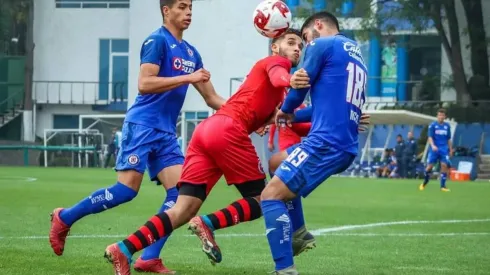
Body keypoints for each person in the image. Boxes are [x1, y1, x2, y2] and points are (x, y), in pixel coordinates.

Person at [103, 28, 306, 274]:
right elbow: (278, 76)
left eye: (300, 46)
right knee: (264, 199)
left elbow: (290, 117)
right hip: (229, 131)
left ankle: (123, 249)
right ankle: (207, 223)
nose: (297, 48)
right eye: (291, 42)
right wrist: (290, 79)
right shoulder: (276, 63)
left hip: (207, 132)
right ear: (274, 46)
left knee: (182, 209)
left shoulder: (277, 90)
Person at [49, 0, 225, 273]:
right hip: (142, 126)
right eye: (181, 6)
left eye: (190, 6)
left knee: (180, 196)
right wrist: (186, 78)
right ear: (166, 10)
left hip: (166, 132)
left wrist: (247, 114)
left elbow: (212, 98)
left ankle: (149, 256)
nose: (188, 11)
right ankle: (65, 217)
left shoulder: (192, 53)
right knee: (125, 191)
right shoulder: (156, 41)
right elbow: (144, 84)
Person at [260, 11, 368, 274]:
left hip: (324, 143)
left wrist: (285, 108)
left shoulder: (322, 44)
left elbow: (299, 89)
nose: (305, 45)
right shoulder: (357, 54)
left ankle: (284, 269)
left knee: (269, 196)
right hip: (342, 143)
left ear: (318, 25)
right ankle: (298, 232)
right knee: (276, 163)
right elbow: (322, 107)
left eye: (305, 37)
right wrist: (290, 115)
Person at [419, 108, 452, 192]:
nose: (441, 117)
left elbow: (448, 139)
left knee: (444, 165)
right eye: (439, 115)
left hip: (444, 149)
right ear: (437, 116)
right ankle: (425, 181)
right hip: (434, 149)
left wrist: (451, 149)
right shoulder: (432, 125)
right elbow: (430, 137)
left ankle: (443, 186)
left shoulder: (447, 126)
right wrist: (433, 145)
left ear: (445, 116)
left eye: (442, 115)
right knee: (429, 167)